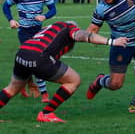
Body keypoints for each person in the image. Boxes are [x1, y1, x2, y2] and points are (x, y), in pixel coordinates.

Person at [0, 21, 128, 123]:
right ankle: (46, 113)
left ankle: (46, 113)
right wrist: (111, 42)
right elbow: (84, 35)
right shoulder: (69, 28)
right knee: (74, 80)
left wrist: (30, 81)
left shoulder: (51, 27)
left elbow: (33, 55)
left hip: (21, 54)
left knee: (12, 88)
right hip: (40, 57)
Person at [2, 0, 57, 103]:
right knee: (35, 60)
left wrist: (45, 16)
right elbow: (6, 6)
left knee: (31, 61)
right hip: (24, 32)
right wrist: (11, 20)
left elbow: (53, 9)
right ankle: (44, 93)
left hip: (38, 31)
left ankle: (23, 85)